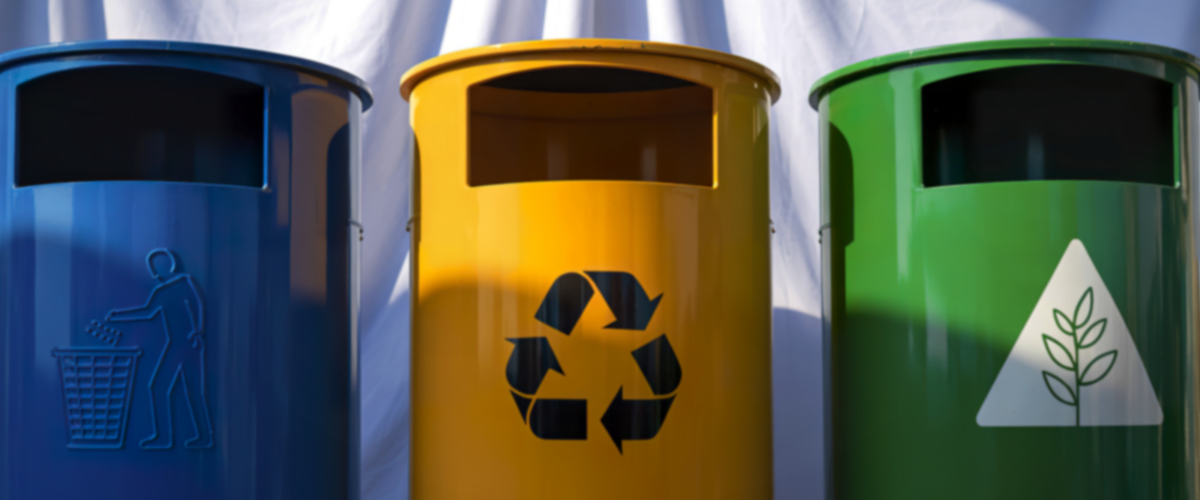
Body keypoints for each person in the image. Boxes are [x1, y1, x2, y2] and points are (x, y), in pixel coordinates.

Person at [107, 248, 213, 450]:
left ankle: (204, 436)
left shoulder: (185, 283)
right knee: (158, 387)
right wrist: (118, 315)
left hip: (189, 344)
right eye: (154, 268)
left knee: (194, 390)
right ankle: (164, 436)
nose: (156, 272)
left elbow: (198, 305)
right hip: (174, 344)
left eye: (159, 266)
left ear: (171, 265)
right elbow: (148, 312)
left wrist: (198, 332)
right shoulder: (160, 291)